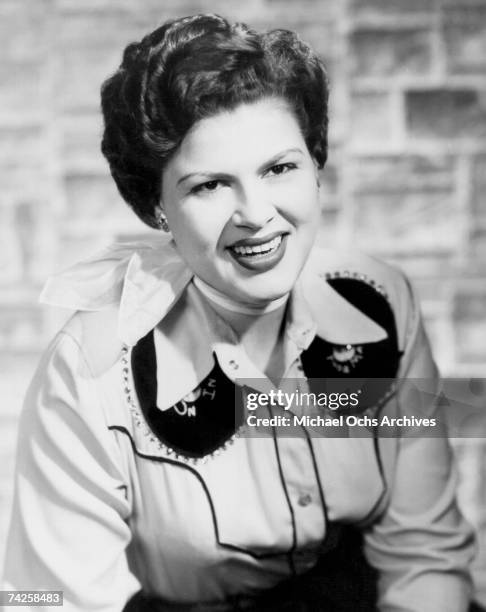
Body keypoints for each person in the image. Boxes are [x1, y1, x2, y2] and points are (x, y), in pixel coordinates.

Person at [1, 13, 479, 612]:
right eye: (209, 186)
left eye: (280, 168)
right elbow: (44, 599)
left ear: (316, 165)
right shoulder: (92, 368)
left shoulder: (380, 300)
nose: (257, 213)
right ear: (157, 208)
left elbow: (425, 555)